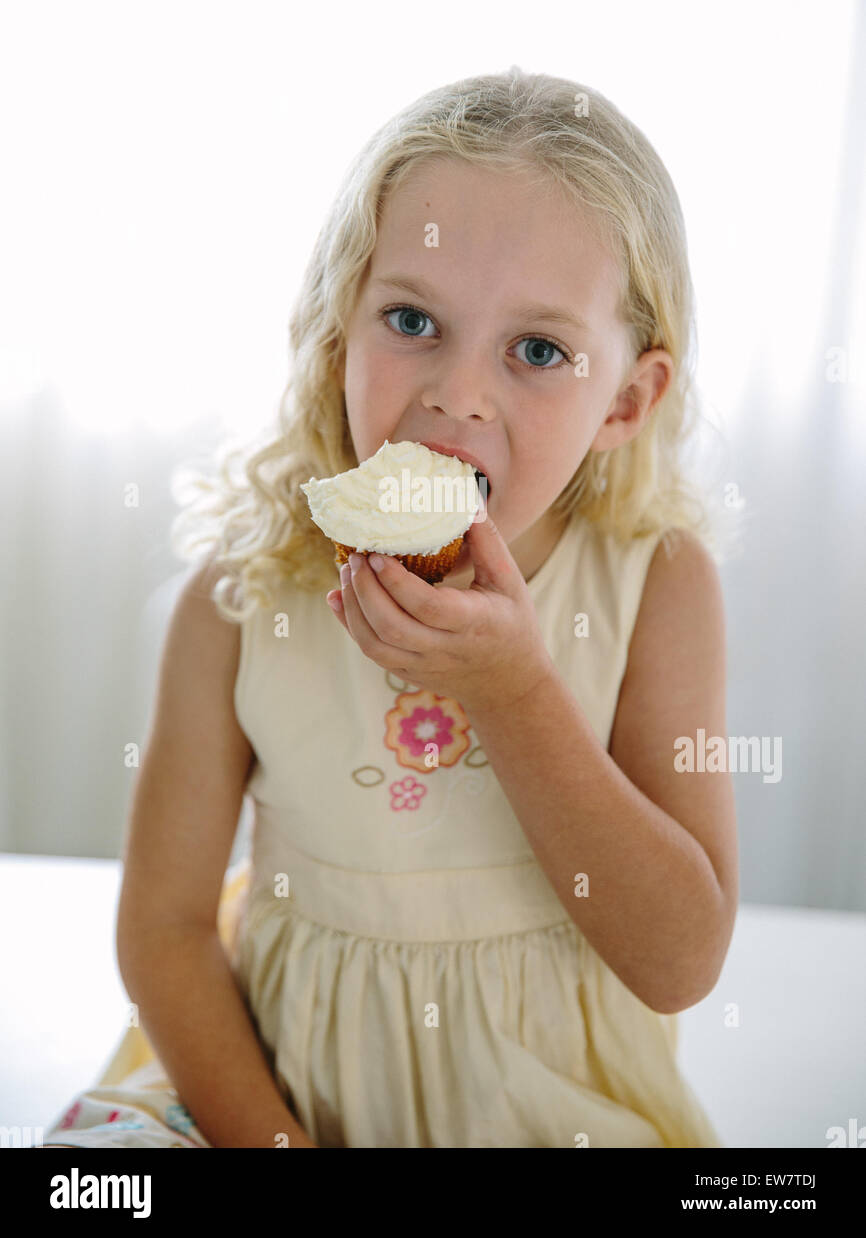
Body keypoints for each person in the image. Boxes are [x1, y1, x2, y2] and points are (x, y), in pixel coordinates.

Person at [42, 66, 738, 1149]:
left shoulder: (654, 584)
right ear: (335, 337)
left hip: (545, 1110)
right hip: (268, 1092)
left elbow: (679, 958)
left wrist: (514, 692)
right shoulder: (241, 596)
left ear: (625, 400)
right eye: (411, 318)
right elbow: (166, 927)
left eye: (538, 350)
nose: (458, 393)